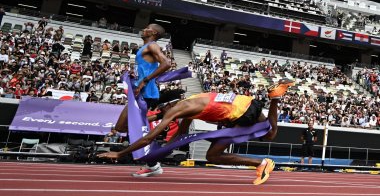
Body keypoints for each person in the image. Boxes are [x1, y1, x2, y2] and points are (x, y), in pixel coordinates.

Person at [99, 79, 295, 185]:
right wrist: (161, 151)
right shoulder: (187, 103)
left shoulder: (178, 110)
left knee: (213, 155)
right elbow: (178, 135)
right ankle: (274, 97)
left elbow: (150, 136)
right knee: (269, 134)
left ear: (167, 106)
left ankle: (261, 163)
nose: (160, 115)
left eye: (161, 112)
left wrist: (120, 153)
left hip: (238, 115)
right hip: (244, 102)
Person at [114, 24, 171, 177]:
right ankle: (152, 157)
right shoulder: (146, 47)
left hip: (146, 93)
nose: (143, 29)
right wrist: (136, 76)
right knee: (122, 127)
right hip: (141, 93)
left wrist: (144, 80)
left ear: (152, 32)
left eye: (146, 28)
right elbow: (148, 68)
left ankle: (153, 163)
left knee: (130, 128)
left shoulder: (152, 46)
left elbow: (167, 63)